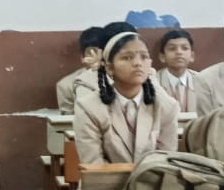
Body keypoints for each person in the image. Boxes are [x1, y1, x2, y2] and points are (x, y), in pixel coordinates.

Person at [73, 32, 179, 165]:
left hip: (153, 178)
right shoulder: (89, 107)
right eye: (127, 57)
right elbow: (94, 165)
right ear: (109, 68)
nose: (138, 63)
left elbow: (166, 162)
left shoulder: (166, 106)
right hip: (105, 178)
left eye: (144, 57)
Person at [55, 26, 105, 114]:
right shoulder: (66, 86)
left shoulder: (123, 78)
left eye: (103, 52)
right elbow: (68, 120)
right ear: (82, 57)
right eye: (91, 52)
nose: (98, 57)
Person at [154, 28, 201, 113]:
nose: (179, 52)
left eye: (184, 48)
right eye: (172, 48)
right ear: (162, 57)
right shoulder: (153, 82)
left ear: (192, 56)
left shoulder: (202, 81)